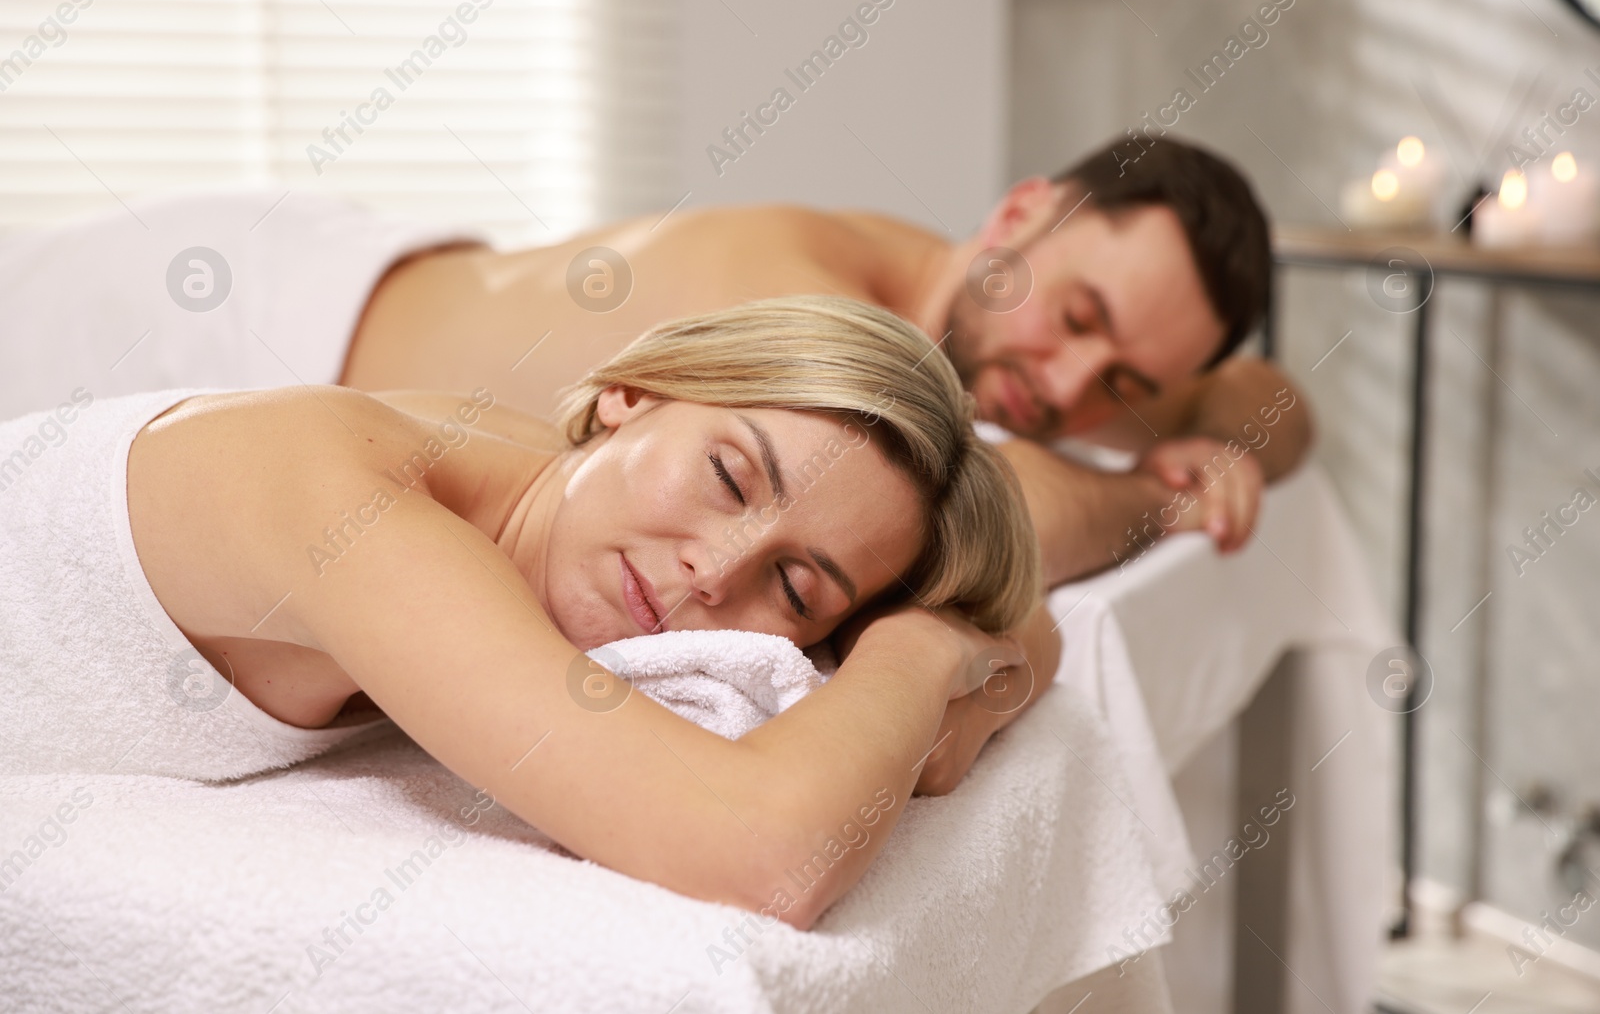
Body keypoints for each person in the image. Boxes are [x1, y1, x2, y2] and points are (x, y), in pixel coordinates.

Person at [0, 296, 1053, 929]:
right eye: (730, 477)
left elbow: (1033, 628)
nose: (710, 573)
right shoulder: (344, 497)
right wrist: (919, 655)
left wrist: (973, 660)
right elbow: (763, 855)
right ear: (629, 395)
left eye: (794, 586)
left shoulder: (543, 492)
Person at [340, 136, 1313, 584]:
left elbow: (1278, 402)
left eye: (1123, 385)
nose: (1064, 388)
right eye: (1075, 314)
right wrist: (1160, 495)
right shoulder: (824, 312)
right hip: (308, 322)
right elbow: (1004, 515)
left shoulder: (964, 305)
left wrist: (1224, 437)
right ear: (1016, 215)